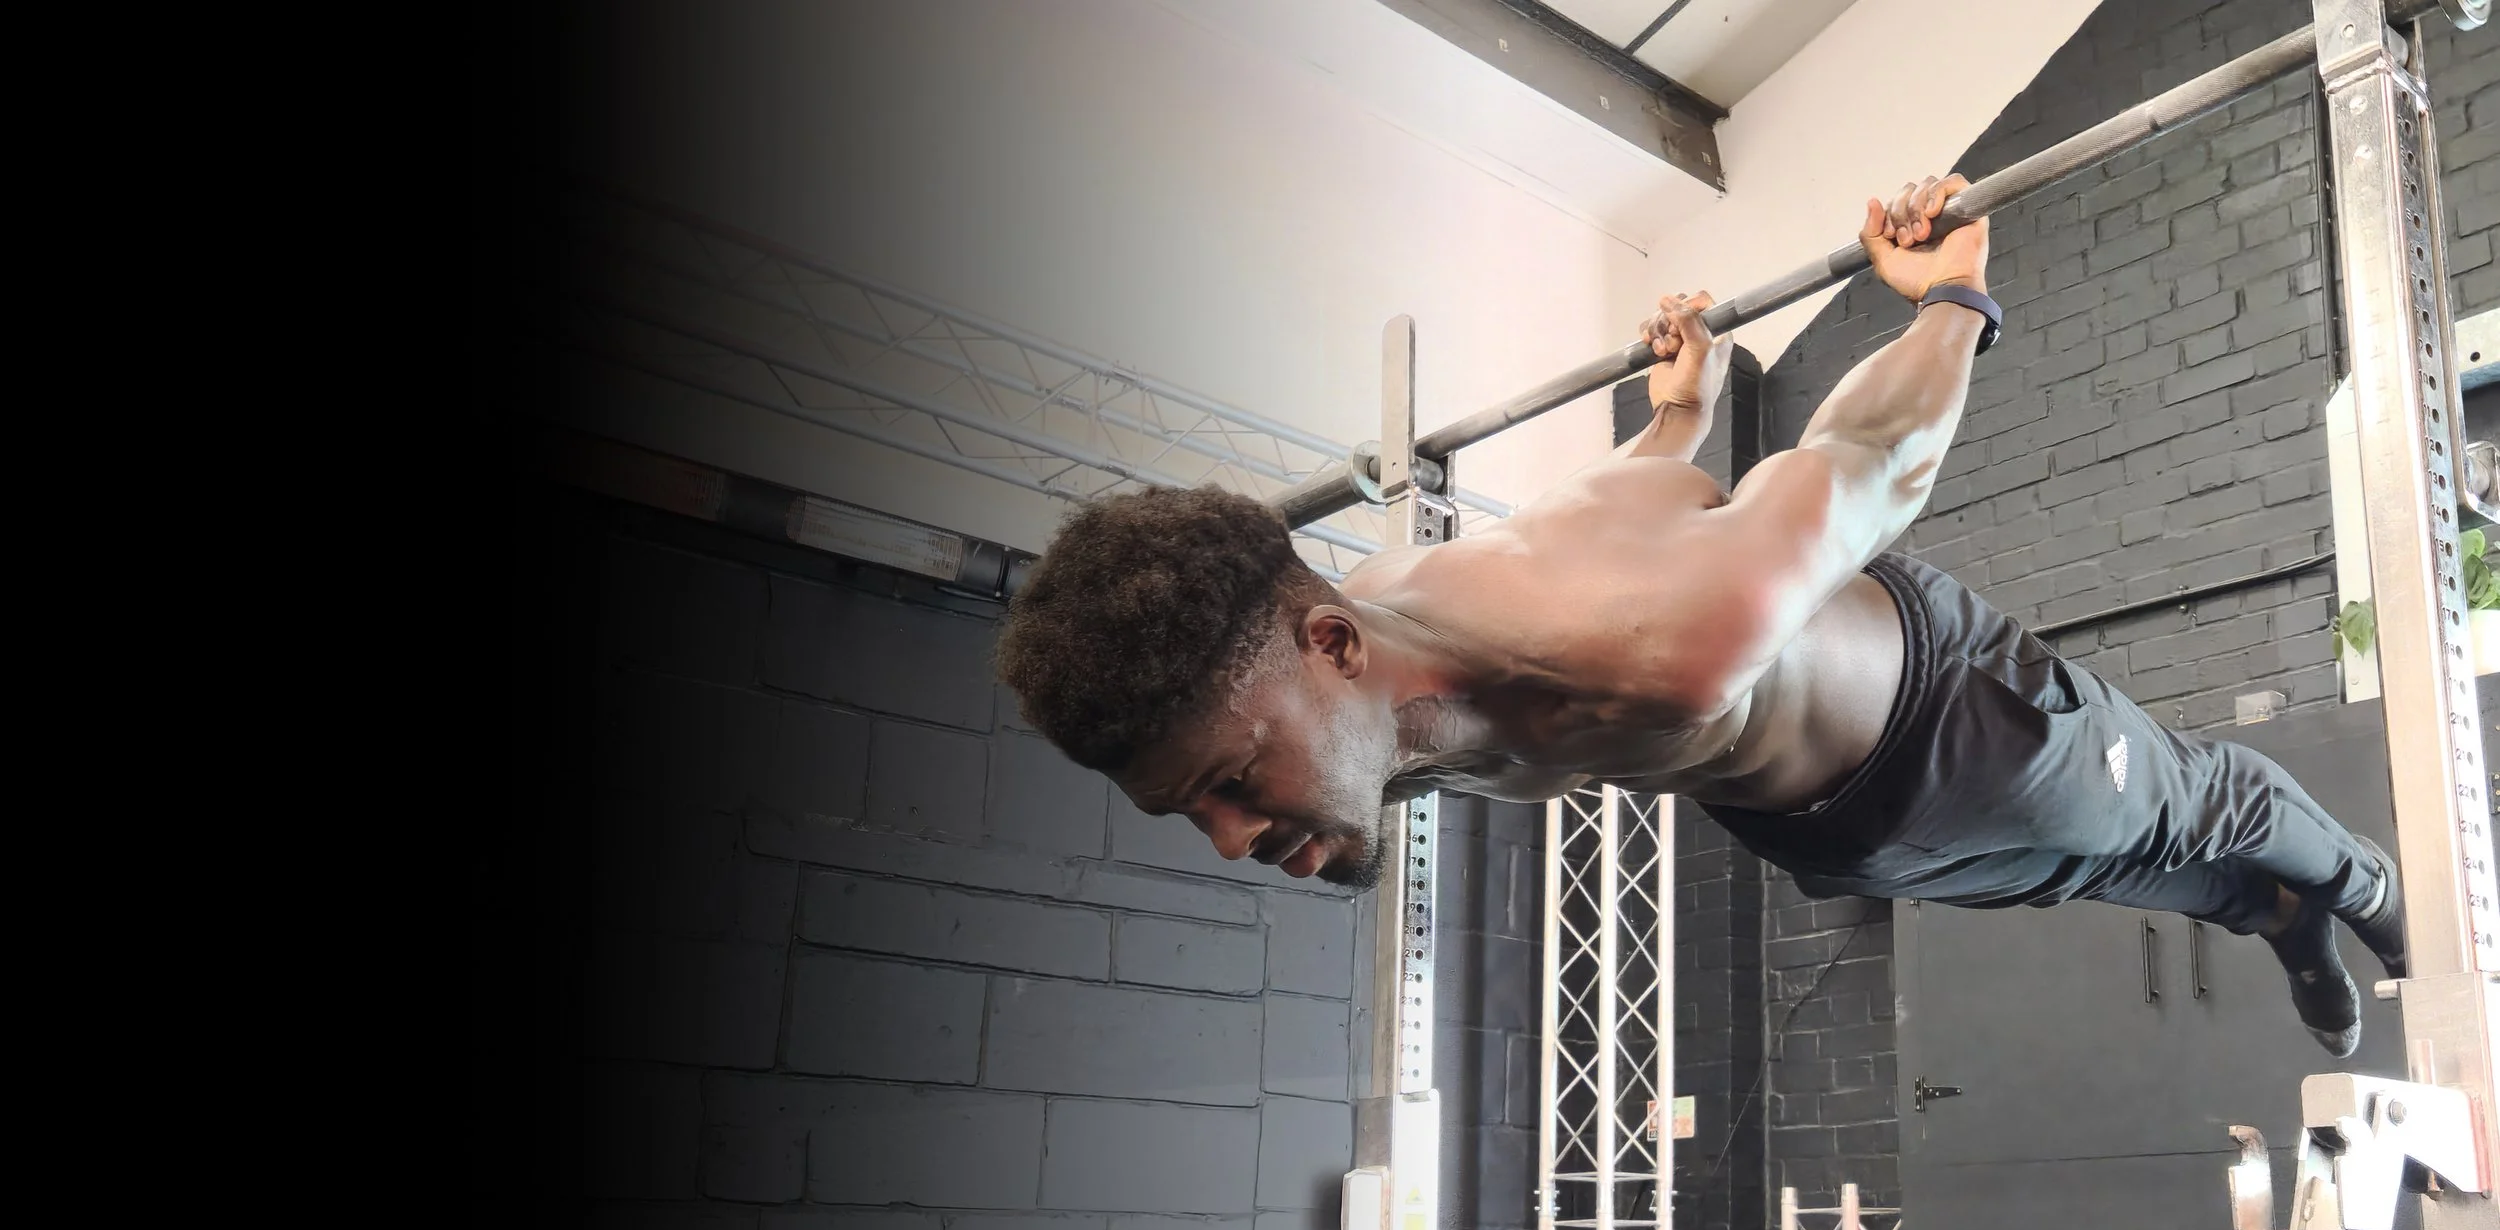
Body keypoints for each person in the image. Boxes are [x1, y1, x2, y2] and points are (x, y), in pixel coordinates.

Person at [995, 175, 2405, 1056]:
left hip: (1955, 732)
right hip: (1827, 827)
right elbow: (1598, 509)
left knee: (2187, 809)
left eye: (1235, 783)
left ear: (1333, 648)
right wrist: (1677, 412)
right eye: (1195, 812)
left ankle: (2371, 889)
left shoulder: (1654, 642)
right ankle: (2289, 920)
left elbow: (1864, 463)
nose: (1238, 839)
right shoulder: (1366, 667)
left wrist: (1948, 300)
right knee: (2111, 878)